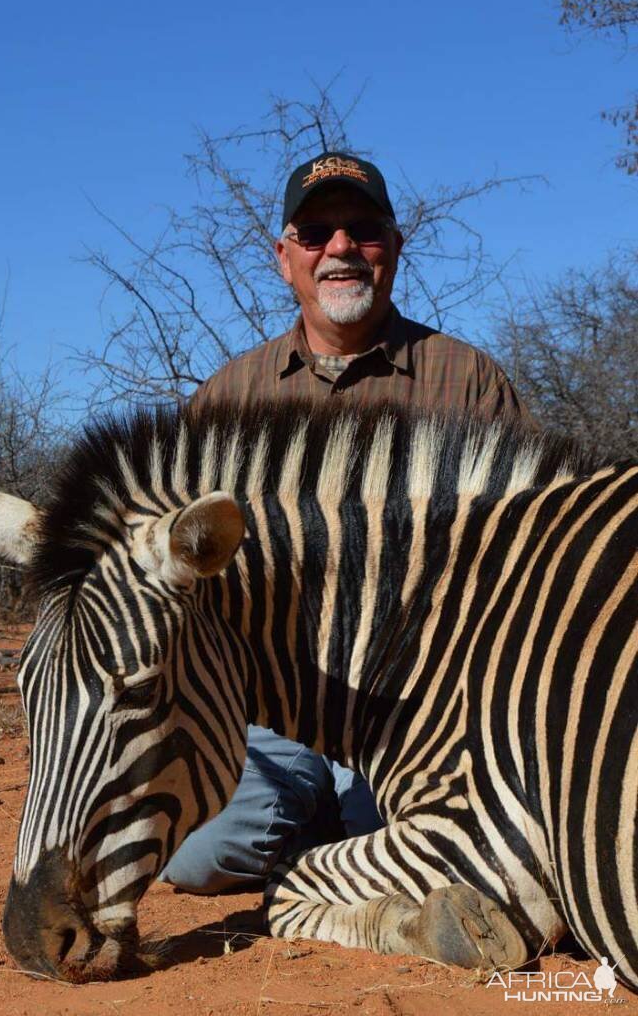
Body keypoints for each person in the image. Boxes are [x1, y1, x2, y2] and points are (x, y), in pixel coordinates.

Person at [159, 152, 533, 894]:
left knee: (420, 859)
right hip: (276, 700)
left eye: (361, 231)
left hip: (425, 699)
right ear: (284, 257)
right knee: (203, 860)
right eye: (315, 232)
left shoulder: (469, 380)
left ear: (392, 248)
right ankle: (329, 835)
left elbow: (523, 561)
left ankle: (337, 848)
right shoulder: (226, 397)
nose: (338, 249)